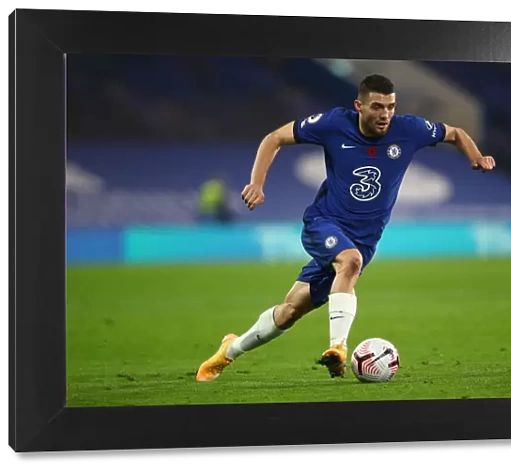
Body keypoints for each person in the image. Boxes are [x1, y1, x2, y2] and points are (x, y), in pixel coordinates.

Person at [195, 73, 495, 381]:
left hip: (364, 240)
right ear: (359, 106)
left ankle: (230, 350)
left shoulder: (410, 129)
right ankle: (338, 348)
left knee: (290, 311)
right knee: (350, 262)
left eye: (390, 106)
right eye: (377, 107)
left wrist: (476, 157)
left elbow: (456, 133)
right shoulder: (334, 124)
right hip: (323, 223)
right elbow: (274, 138)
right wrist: (256, 183)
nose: (385, 114)